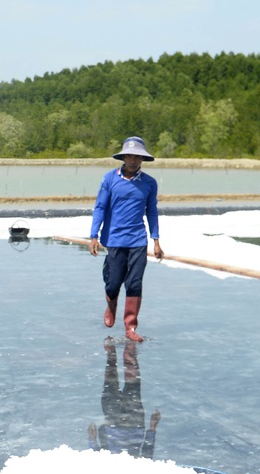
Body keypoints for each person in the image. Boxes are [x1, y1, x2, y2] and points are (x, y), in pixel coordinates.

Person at [88, 136, 163, 342]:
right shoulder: (109, 179)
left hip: (138, 240)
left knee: (135, 282)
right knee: (113, 283)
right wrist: (94, 235)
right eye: (129, 155)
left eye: (137, 156)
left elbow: (152, 212)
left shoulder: (149, 183)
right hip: (113, 239)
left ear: (142, 159)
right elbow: (100, 207)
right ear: (123, 157)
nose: (133, 160)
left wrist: (155, 239)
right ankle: (111, 305)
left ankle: (130, 327)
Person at [88, 337, 160, 457]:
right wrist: (152, 428)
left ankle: (119, 352)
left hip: (128, 426)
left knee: (125, 385)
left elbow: (147, 456)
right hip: (124, 426)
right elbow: (147, 457)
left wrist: (92, 440)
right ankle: (122, 352)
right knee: (118, 384)